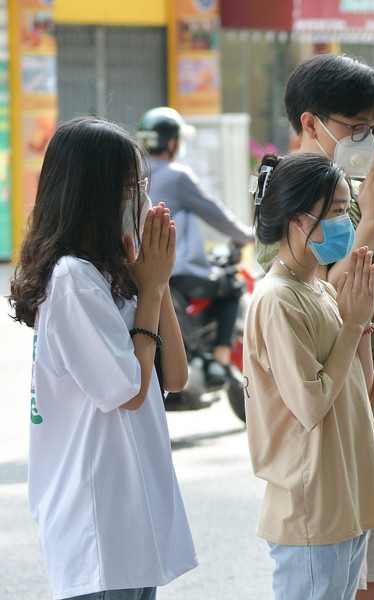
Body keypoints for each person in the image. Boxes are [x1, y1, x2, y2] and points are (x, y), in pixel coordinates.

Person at [8, 116, 197, 599]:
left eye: (141, 184)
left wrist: (157, 279)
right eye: (129, 187)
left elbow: (174, 375)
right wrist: (150, 288)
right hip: (96, 525)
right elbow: (128, 393)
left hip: (131, 520)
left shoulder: (117, 271)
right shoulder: (72, 278)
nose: (141, 199)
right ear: (92, 194)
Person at [261, 53, 374, 600]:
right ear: (311, 122)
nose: (368, 139)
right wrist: (370, 217)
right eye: (356, 127)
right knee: (332, 579)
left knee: (371, 575)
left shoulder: (363, 194)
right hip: (330, 423)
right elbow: (327, 300)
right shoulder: (288, 196)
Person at [243, 151, 374, 600]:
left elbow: (364, 392)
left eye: (344, 211)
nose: (343, 224)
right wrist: (351, 326)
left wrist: (361, 319)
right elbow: (311, 404)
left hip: (344, 496)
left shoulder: (318, 290)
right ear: (297, 220)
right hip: (313, 506)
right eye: (334, 212)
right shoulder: (278, 300)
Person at [138, 106, 255, 386]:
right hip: (179, 273)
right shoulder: (178, 175)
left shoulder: (134, 173)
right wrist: (247, 236)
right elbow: (213, 212)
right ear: (171, 142)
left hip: (140, 271)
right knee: (233, 287)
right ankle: (220, 359)